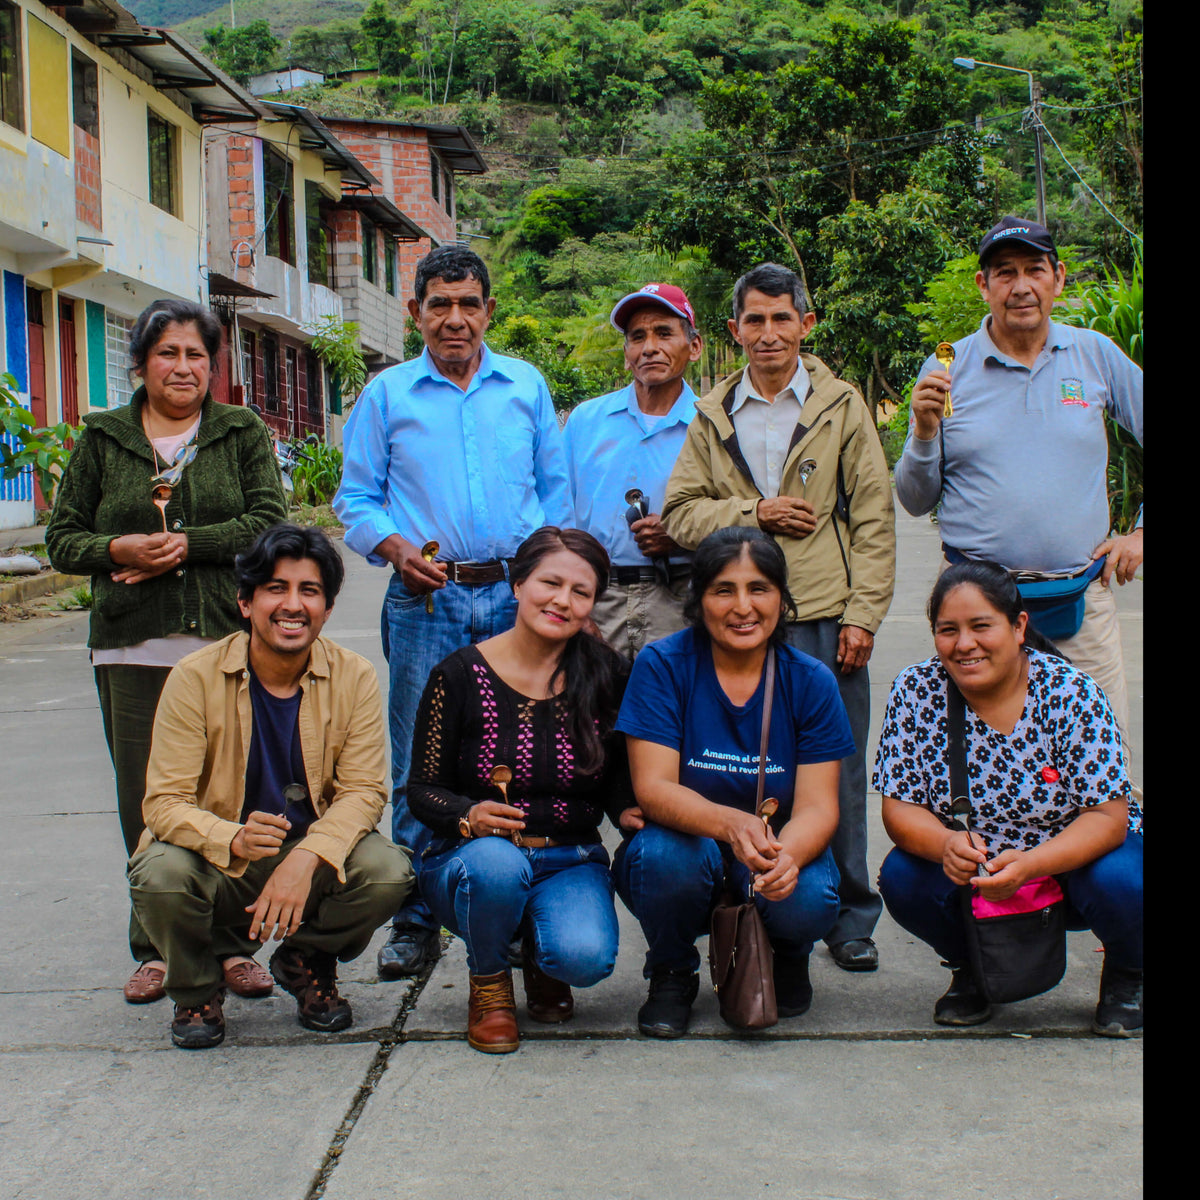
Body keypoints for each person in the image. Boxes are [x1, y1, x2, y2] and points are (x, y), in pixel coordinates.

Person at [333, 245, 572, 981]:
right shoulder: (387, 395)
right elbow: (355, 498)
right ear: (415, 312)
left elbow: (555, 495)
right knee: (420, 751)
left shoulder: (525, 387)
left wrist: (549, 583)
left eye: (469, 303)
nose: (455, 318)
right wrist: (396, 547)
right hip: (423, 598)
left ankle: (521, 905)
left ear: (488, 311)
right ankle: (414, 917)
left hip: (513, 594)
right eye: (440, 304)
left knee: (520, 745)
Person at [45, 298, 288, 1007]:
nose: (183, 367)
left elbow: (267, 521)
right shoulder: (103, 439)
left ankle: (234, 944)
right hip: (132, 649)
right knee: (147, 803)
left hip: (224, 645)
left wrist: (188, 545)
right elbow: (63, 540)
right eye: (168, 353)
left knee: (236, 795)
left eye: (196, 356)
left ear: (212, 367)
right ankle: (155, 948)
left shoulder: (239, 431)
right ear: (142, 362)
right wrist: (115, 547)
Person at [662, 262, 895, 974]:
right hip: (733, 614)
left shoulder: (841, 404)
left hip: (823, 614)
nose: (768, 333)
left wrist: (864, 614)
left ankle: (848, 916)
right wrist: (751, 513)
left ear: (806, 324)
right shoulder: (712, 412)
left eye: (781, 318)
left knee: (836, 769)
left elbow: (874, 518)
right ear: (733, 332)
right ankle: (738, 897)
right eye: (754, 321)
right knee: (731, 764)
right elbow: (678, 513)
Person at [127, 523, 414, 1049]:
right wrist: (229, 837)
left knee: (388, 872)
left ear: (327, 609)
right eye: (276, 588)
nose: (293, 604)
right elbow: (163, 803)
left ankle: (305, 960)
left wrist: (307, 859)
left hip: (309, 854)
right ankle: (196, 987)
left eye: (310, 591)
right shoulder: (195, 676)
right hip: (220, 858)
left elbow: (364, 793)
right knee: (159, 872)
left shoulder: (354, 676)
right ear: (245, 602)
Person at [895, 215, 1143, 737]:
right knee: (979, 766)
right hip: (974, 613)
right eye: (1005, 273)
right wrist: (921, 430)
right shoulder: (945, 369)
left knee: (1099, 763)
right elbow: (916, 501)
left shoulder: (1094, 355)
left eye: (1035, 269)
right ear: (984, 285)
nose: (1022, 286)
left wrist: (1140, 532)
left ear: (1059, 277)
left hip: (1080, 603)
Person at [873, 560, 1142, 1036]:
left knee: (1122, 878)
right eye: (947, 630)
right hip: (977, 871)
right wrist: (943, 846)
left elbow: (1108, 817)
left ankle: (1130, 970)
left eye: (981, 626)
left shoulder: (1070, 693)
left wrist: (1034, 864)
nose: (964, 644)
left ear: (1018, 627)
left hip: (1069, 863)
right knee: (901, 876)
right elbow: (899, 806)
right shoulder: (915, 690)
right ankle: (971, 967)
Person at [614, 527, 854, 1037]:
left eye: (759, 588)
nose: (743, 606)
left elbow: (818, 807)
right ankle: (672, 970)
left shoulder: (811, 679)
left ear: (782, 600)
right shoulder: (662, 665)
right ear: (698, 599)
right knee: (664, 857)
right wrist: (730, 824)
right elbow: (653, 788)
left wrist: (785, 858)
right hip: (688, 844)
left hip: (772, 843)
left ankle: (786, 951)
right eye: (724, 589)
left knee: (807, 894)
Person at [407, 527, 632, 1053]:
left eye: (581, 591)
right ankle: (488, 984)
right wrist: (468, 815)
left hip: (570, 856)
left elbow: (621, 775)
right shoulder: (458, 675)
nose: (562, 600)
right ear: (517, 584)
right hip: (474, 861)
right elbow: (421, 789)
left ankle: (539, 951)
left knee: (585, 958)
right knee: (497, 866)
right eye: (549, 582)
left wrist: (634, 813)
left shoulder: (608, 674)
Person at [563, 283, 702, 658]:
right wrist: (575, 603)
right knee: (592, 713)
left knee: (670, 711)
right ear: (626, 355)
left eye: (664, 333)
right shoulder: (586, 421)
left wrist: (681, 535)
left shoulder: (712, 426)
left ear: (694, 347)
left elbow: (734, 520)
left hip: (678, 601)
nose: (650, 347)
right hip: (596, 598)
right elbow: (559, 515)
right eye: (637, 337)